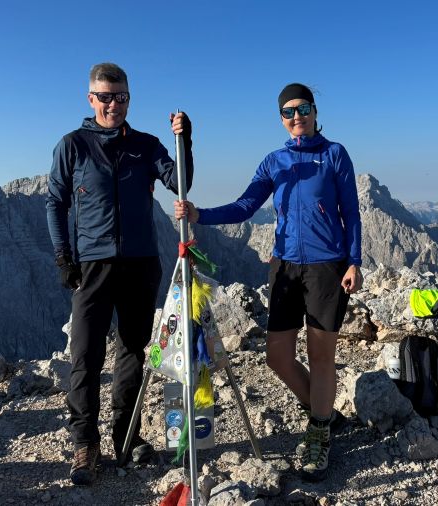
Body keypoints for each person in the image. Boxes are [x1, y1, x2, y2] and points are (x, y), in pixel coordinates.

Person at [174, 83, 362, 482]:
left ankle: (318, 434)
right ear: (281, 119)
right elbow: (245, 206)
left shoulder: (334, 154)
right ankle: (324, 414)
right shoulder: (274, 162)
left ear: (315, 111)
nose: (297, 117)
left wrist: (354, 261)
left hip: (327, 268)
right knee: (277, 357)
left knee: (320, 355)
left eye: (303, 108)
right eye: (288, 112)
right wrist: (199, 214)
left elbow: (351, 211)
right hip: (285, 269)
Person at [46, 62, 193, 486]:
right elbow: (55, 202)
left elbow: (180, 183)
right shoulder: (73, 145)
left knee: (132, 351)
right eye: (106, 97)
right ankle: (85, 444)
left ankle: (126, 437)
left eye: (121, 97)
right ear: (91, 99)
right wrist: (63, 257)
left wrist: (184, 141)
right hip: (93, 265)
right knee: (85, 355)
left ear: (129, 99)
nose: (114, 105)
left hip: (141, 263)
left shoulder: (146, 145)